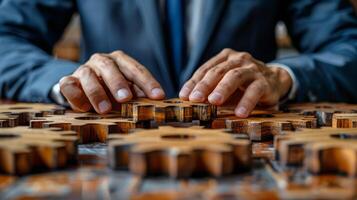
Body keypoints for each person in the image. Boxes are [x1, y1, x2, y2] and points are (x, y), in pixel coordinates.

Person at [0, 0, 356, 118]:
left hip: (245, 156)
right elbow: (6, 40)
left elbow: (348, 47)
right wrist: (69, 82)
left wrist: (284, 77)